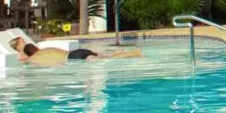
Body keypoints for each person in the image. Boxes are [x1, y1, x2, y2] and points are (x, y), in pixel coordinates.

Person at [9, 38, 142, 64]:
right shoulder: (46, 50)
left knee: (107, 61)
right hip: (76, 52)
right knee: (109, 57)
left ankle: (132, 54)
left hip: (74, 58)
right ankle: (133, 53)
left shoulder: (35, 58)